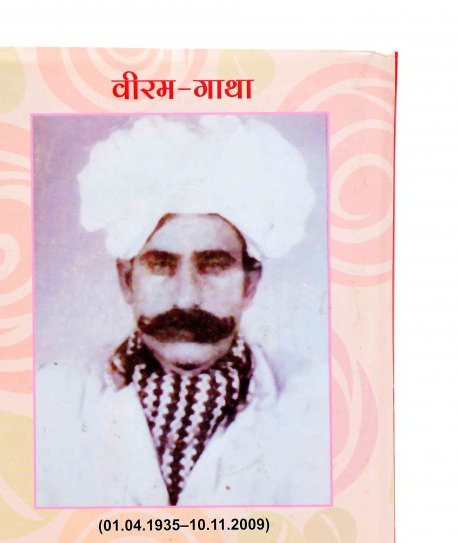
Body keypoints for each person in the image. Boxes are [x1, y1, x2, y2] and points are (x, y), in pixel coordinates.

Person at [35, 116, 330, 507]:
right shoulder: (51, 400)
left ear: (250, 283)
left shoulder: (321, 404)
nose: (187, 298)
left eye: (214, 265)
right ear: (127, 280)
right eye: (161, 264)